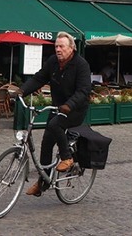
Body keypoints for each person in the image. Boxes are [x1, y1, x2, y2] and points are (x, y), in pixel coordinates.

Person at [19, 32, 91, 197]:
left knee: (55, 125)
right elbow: (39, 78)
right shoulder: (52, 62)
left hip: (75, 109)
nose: (58, 49)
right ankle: (43, 181)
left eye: (61, 46)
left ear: (71, 48)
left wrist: (69, 105)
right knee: (46, 143)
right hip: (57, 107)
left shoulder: (81, 65)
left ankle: (67, 158)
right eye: (56, 46)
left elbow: (83, 90)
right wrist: (22, 90)